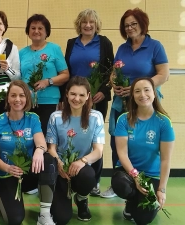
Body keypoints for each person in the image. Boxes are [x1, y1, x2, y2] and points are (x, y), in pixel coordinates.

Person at [104, 7, 169, 199]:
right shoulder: (123, 48)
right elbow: (114, 72)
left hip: (144, 102)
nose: (130, 28)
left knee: (142, 141)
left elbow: (164, 75)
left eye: (134, 24)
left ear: (142, 24)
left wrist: (137, 88)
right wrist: (113, 83)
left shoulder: (155, 46)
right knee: (117, 142)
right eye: (126, 25)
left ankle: (146, 180)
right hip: (121, 103)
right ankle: (119, 182)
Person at [0, 80, 58, 225]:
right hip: (5, 175)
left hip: (27, 174)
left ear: (27, 98)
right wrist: (7, 168)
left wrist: (39, 150)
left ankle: (44, 215)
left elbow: (41, 142)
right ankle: (5, 195)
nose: (17, 99)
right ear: (8, 98)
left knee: (48, 159)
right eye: (13, 95)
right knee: (15, 219)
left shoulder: (33, 118)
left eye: (21, 95)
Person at [64, 9, 114, 197]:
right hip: (73, 98)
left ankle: (94, 181)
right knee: (73, 136)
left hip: (96, 99)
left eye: (91, 22)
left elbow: (111, 70)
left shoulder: (104, 43)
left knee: (95, 140)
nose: (88, 25)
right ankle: (70, 174)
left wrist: (103, 91)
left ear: (96, 24)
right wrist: (65, 98)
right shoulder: (71, 43)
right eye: (84, 22)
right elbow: (67, 71)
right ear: (79, 24)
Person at [111, 77, 174, 224]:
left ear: (154, 93)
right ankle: (130, 201)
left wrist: (162, 190)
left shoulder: (164, 122)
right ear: (132, 95)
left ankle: (134, 205)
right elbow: (122, 153)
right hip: (128, 172)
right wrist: (136, 177)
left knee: (143, 219)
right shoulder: (123, 119)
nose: (142, 95)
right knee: (121, 184)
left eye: (147, 90)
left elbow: (165, 159)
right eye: (137, 91)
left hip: (151, 176)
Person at [46, 76, 105, 224]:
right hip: (61, 169)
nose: (76, 98)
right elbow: (51, 148)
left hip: (83, 168)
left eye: (81, 95)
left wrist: (81, 161)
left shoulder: (96, 117)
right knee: (61, 218)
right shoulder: (55, 117)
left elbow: (98, 151)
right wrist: (59, 163)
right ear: (66, 94)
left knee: (88, 175)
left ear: (88, 96)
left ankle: (82, 198)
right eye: (73, 94)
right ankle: (64, 193)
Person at [20, 14, 69, 134]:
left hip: (49, 101)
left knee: (47, 136)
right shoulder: (21, 52)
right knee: (27, 136)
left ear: (46, 31)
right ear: (28, 31)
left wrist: (48, 81)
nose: (36, 31)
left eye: (40, 28)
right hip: (26, 102)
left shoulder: (54, 49)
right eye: (33, 28)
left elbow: (65, 75)